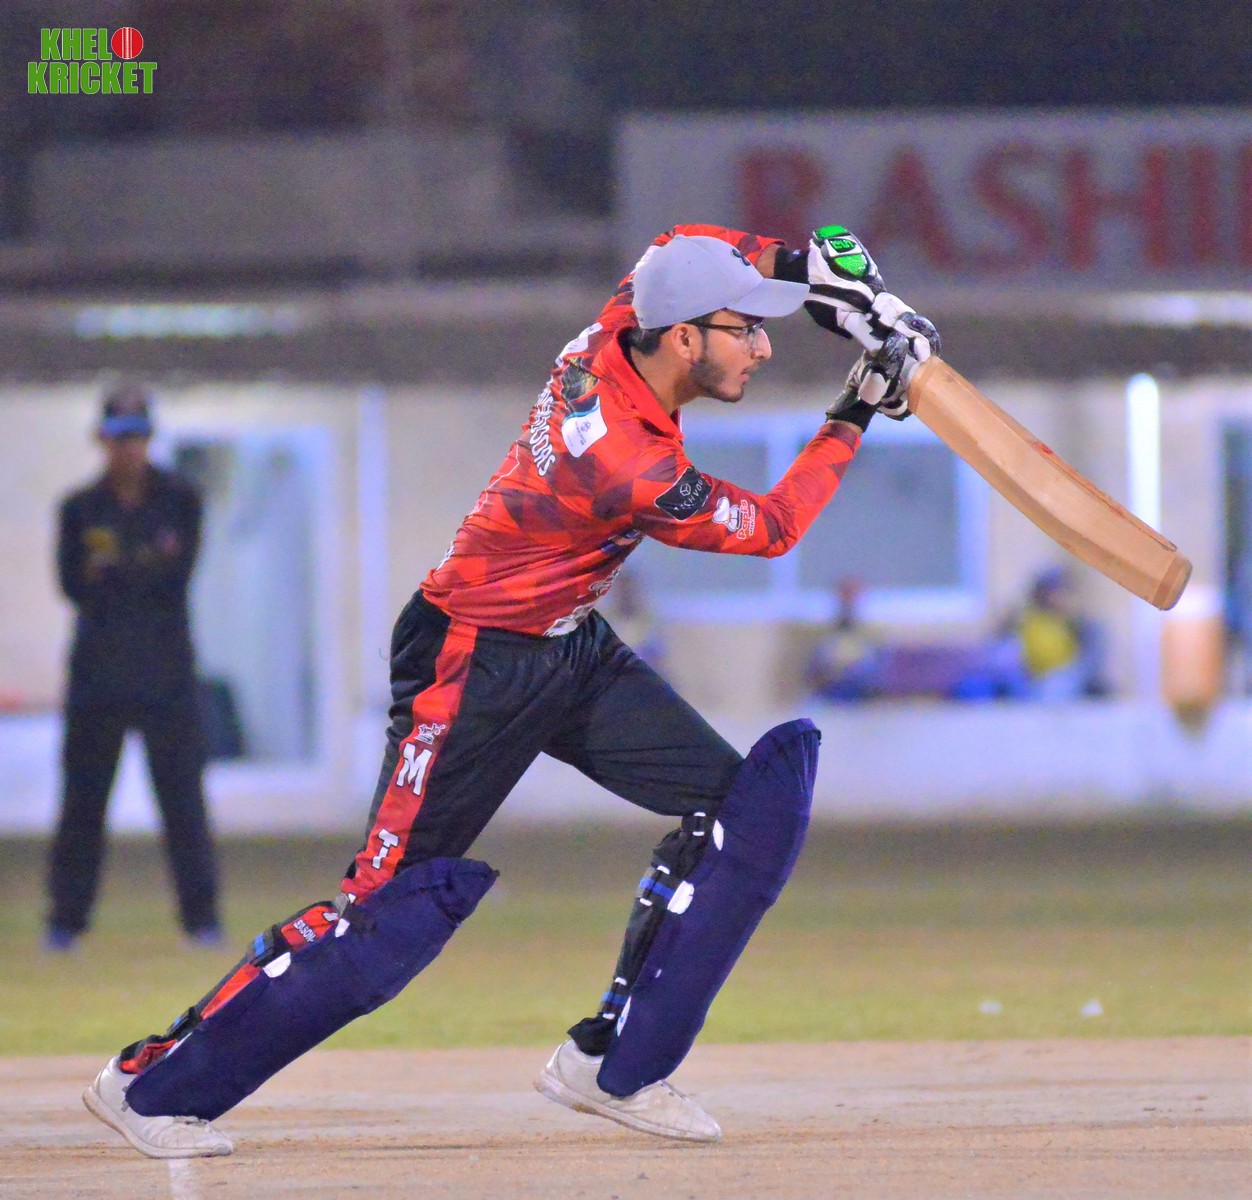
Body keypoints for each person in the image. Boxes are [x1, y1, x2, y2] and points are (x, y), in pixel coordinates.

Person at [81, 224, 940, 1158]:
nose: (764, 349)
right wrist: (857, 405)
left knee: (751, 811)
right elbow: (771, 528)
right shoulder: (626, 459)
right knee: (382, 918)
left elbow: (682, 241)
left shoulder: (624, 322)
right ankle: (152, 1085)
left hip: (568, 646)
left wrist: (826, 276)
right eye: (747, 330)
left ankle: (613, 1066)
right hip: (471, 661)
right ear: (685, 337)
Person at [46, 387, 221, 952]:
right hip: (97, 677)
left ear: (150, 439)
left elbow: (174, 579)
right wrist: (137, 568)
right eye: (119, 437)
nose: (129, 448)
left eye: (138, 436)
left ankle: (202, 921)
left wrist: (115, 570)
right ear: (102, 440)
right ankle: (65, 923)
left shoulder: (181, 500)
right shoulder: (79, 508)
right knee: (82, 804)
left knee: (184, 803)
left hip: (167, 676)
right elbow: (73, 585)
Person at [805, 577, 885, 701]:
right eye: (845, 592)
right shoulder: (824, 623)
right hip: (831, 677)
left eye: (852, 592)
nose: (849, 596)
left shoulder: (871, 623)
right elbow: (821, 653)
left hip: (860, 678)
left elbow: (874, 653)